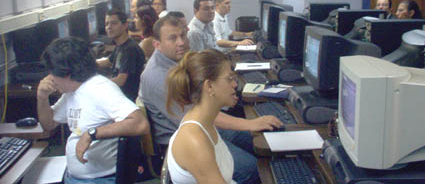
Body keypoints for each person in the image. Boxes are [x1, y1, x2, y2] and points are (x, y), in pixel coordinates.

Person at [139, 16, 282, 184]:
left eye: (183, 36)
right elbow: (198, 112)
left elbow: (203, 111)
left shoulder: (179, 63)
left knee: (259, 140)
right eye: (172, 38)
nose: (181, 42)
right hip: (184, 140)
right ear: (157, 44)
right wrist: (251, 123)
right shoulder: (157, 77)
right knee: (252, 168)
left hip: (206, 125)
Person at [37, 37, 149, 184]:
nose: (50, 78)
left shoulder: (100, 88)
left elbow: (140, 124)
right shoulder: (72, 91)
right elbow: (49, 124)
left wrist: (92, 134)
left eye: (52, 72)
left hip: (100, 179)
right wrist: (42, 98)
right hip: (76, 176)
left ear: (66, 73)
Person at [166, 49, 237, 184]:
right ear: (209, 86)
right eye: (229, 79)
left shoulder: (205, 120)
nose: (235, 84)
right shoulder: (194, 139)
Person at [97, 9, 145, 101]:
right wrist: (87, 63)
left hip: (127, 98)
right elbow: (108, 61)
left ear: (125, 25)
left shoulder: (129, 49)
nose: (109, 27)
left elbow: (120, 80)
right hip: (121, 95)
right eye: (107, 24)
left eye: (114, 23)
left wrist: (97, 85)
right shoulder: (121, 45)